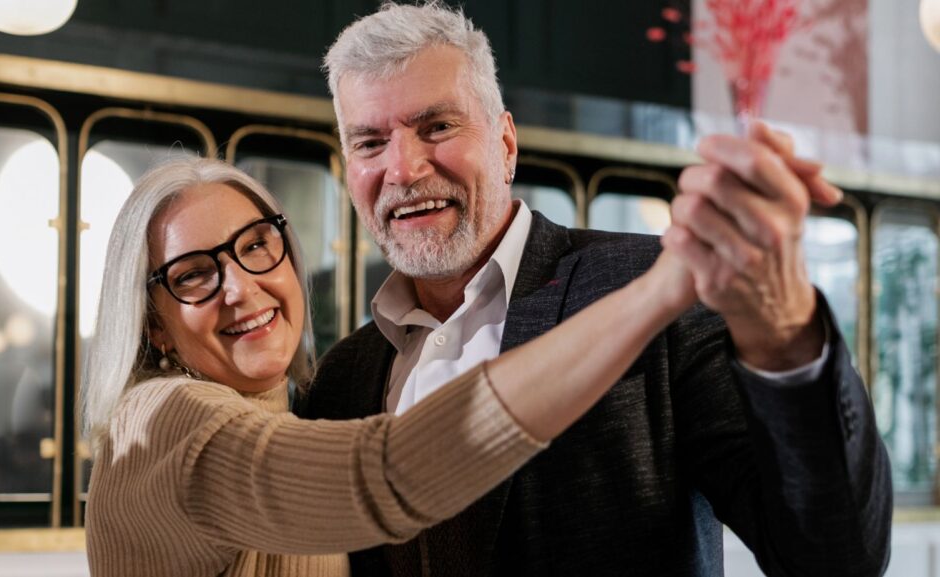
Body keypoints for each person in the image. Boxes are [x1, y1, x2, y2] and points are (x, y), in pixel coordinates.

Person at [299, 2, 892, 576]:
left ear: (505, 144)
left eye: (437, 126)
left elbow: (833, 557)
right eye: (370, 143)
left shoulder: (655, 287)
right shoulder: (345, 376)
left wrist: (785, 331)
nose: (403, 169)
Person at [82, 157, 697, 577]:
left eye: (255, 247)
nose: (240, 288)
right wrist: (655, 296)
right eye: (194, 275)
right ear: (153, 323)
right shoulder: (162, 421)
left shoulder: (319, 392)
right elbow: (383, 473)